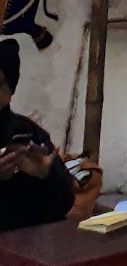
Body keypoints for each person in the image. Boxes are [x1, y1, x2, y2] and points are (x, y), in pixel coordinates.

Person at [0, 40, 73, 232]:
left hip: (27, 242)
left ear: (9, 91)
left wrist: (46, 176)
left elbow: (62, 206)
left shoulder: (29, 133)